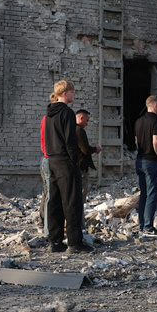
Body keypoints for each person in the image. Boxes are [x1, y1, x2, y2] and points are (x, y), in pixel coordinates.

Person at [44, 80, 93, 253]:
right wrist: (74, 162)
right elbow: (70, 141)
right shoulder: (67, 113)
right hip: (65, 162)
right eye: (73, 92)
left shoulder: (49, 113)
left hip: (52, 160)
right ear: (65, 94)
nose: (75, 95)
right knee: (72, 202)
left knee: (55, 202)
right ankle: (74, 243)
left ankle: (55, 242)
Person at [134, 96, 157, 237]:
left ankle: (142, 225)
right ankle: (148, 227)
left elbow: (136, 142)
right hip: (151, 161)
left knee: (144, 194)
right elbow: (156, 142)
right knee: (152, 194)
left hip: (140, 161)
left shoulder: (138, 121)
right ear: (155, 106)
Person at [74, 109, 101, 206]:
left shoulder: (69, 129)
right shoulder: (79, 131)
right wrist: (95, 149)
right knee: (80, 197)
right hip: (81, 168)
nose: (87, 123)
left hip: (74, 167)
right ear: (81, 118)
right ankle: (79, 219)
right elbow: (85, 149)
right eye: (87, 120)